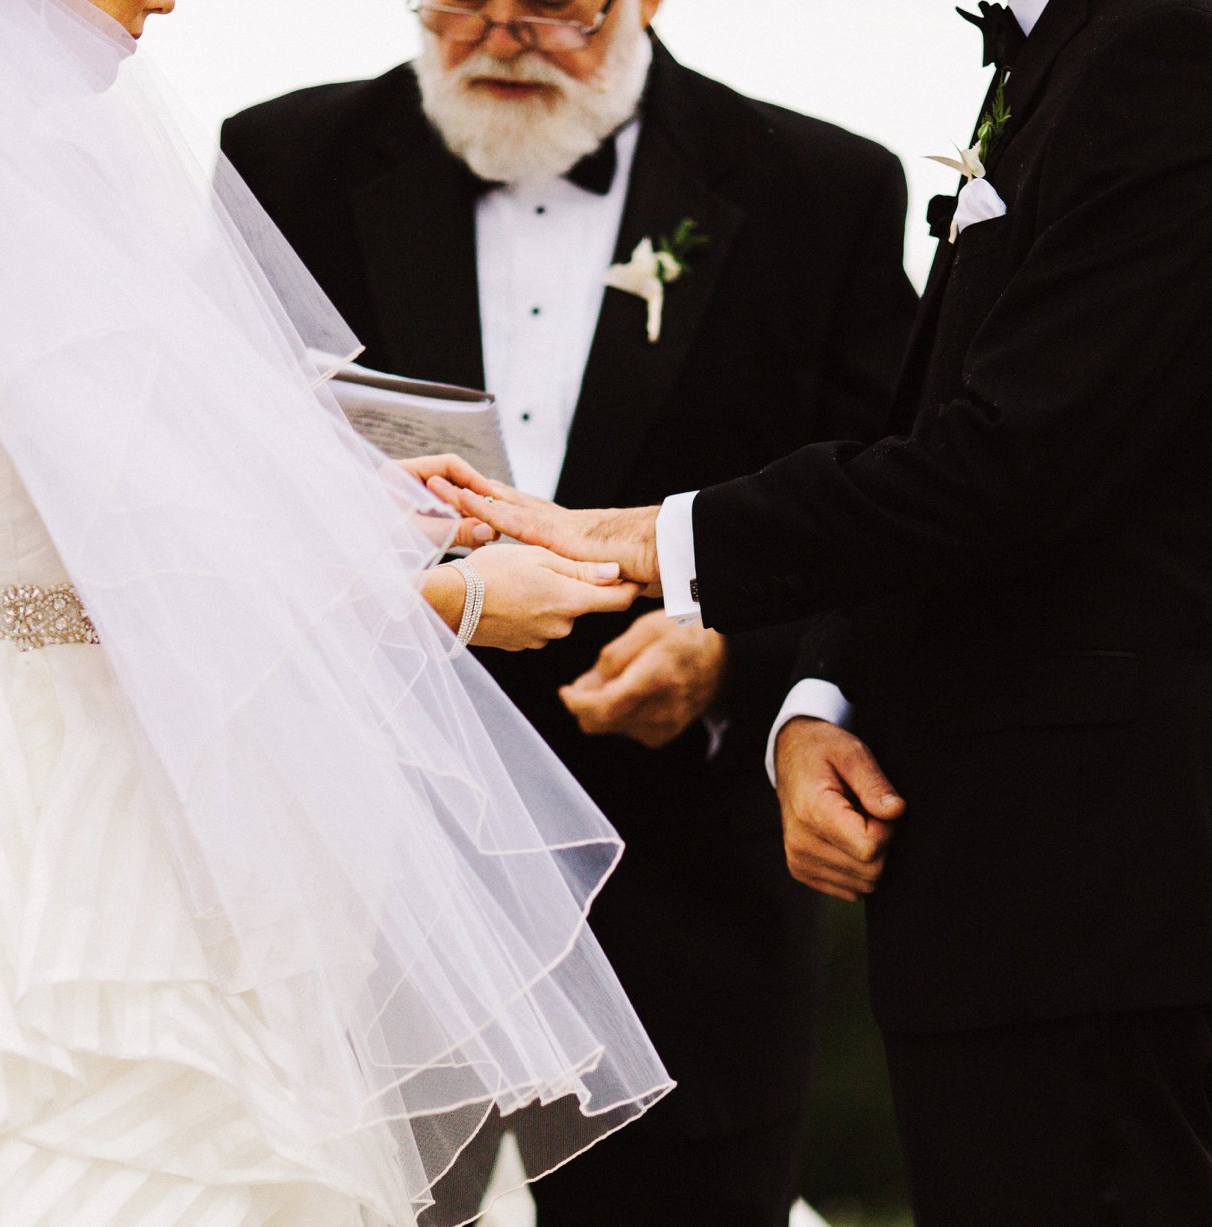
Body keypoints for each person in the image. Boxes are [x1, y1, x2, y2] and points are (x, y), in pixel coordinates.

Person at [0, 1, 672, 1224]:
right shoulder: (12, 169)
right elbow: (145, 558)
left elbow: (41, 475)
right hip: (49, 809)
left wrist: (353, 484)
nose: (170, 1)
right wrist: (460, 600)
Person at [431, 0, 1212, 1222]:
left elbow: (1009, 470)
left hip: (1080, 875)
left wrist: (648, 539)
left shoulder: (1169, 49)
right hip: (989, 877)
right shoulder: (1075, 48)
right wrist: (817, 699)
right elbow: (927, 444)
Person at [221, 3, 916, 1222]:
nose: (497, 38)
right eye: (457, 5)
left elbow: (885, 525)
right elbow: (215, 493)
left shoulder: (823, 190)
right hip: (359, 911)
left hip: (688, 919)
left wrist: (728, 659)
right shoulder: (280, 165)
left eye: (548, 7)